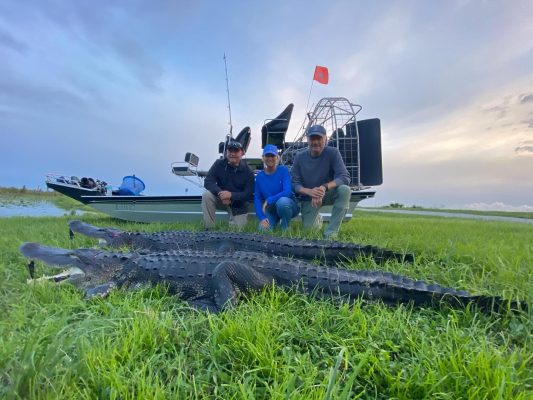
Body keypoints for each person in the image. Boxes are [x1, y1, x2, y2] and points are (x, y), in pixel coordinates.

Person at [291, 124, 351, 239]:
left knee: (345, 190)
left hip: (327, 192)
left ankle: (331, 233)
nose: (316, 142)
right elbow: (294, 183)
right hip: (308, 197)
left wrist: (324, 187)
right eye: (312, 138)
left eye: (319, 138)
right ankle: (318, 219)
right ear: (307, 140)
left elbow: (344, 176)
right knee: (308, 233)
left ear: (325, 139)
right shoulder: (299, 157)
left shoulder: (333, 153)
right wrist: (309, 191)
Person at [202, 140, 254, 229]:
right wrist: (220, 193)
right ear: (226, 152)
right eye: (230, 150)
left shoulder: (248, 171)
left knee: (237, 232)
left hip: (239, 205)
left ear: (242, 153)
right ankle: (209, 229)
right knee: (207, 195)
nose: (232, 153)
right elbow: (208, 181)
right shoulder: (219, 164)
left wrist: (231, 195)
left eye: (236, 151)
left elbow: (248, 194)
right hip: (221, 200)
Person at [254, 144, 300, 230]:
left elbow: (287, 192)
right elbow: (257, 198)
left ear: (277, 157)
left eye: (273, 156)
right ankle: (274, 222)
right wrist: (262, 218)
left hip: (288, 205)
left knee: (282, 202)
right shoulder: (259, 177)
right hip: (271, 209)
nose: (270, 158)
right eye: (267, 155)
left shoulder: (284, 170)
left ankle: (285, 227)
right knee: (262, 230)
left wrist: (269, 200)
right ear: (263, 157)